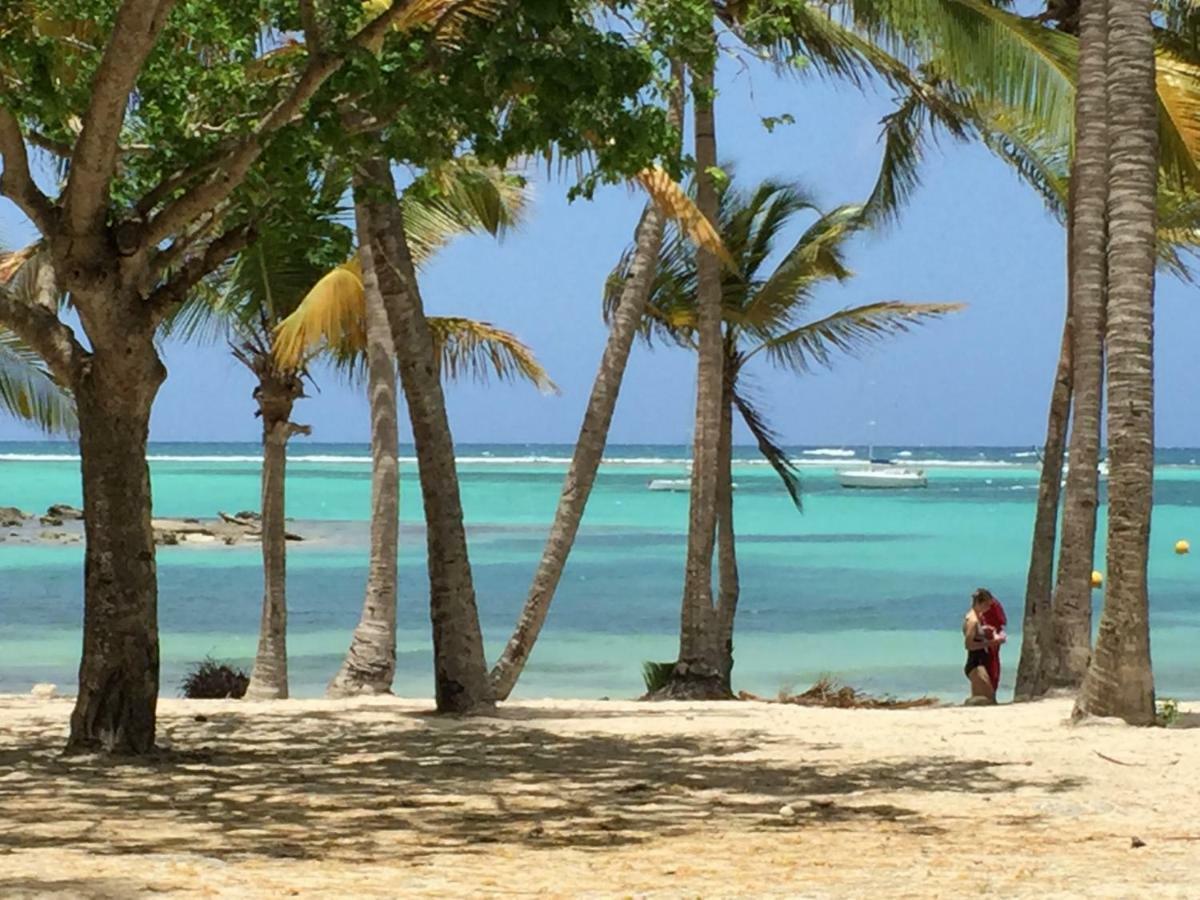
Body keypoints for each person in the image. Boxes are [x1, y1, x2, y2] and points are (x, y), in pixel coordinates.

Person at [963, 588, 1006, 704]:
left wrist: (985, 630)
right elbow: (968, 645)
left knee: (987, 698)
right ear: (980, 603)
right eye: (987, 605)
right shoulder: (972, 620)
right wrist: (992, 643)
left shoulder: (978, 617)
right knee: (987, 699)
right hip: (975, 664)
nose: (988, 608)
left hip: (980, 662)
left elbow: (977, 635)